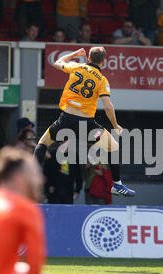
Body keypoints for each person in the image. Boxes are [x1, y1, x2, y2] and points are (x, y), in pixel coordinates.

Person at [34, 47, 136, 197]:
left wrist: (75, 54)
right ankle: (117, 185)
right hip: (86, 124)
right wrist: (115, 125)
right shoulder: (102, 80)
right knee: (113, 147)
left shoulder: (77, 67)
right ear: (103, 61)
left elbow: (57, 62)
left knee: (42, 144)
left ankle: (29, 177)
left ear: (88, 58)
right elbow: (108, 106)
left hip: (66, 118)